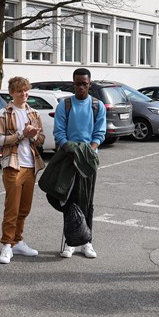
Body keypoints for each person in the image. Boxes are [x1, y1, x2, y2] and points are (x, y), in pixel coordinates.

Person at [52, 68, 106, 259]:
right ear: (73, 84)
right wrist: (72, 150)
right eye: (77, 83)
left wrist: (88, 151)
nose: (81, 87)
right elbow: (59, 132)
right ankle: (71, 242)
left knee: (87, 201)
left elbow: (99, 134)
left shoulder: (97, 106)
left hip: (88, 160)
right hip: (68, 158)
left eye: (84, 83)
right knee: (69, 200)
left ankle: (87, 241)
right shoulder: (64, 105)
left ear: (89, 84)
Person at [0, 76, 45, 264]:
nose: (24, 94)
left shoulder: (34, 113)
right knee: (12, 208)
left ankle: (18, 241)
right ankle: (6, 244)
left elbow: (41, 140)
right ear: (12, 93)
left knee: (24, 208)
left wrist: (33, 135)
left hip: (31, 166)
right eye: (19, 91)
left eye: (26, 91)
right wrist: (22, 134)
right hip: (13, 165)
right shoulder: (4, 113)